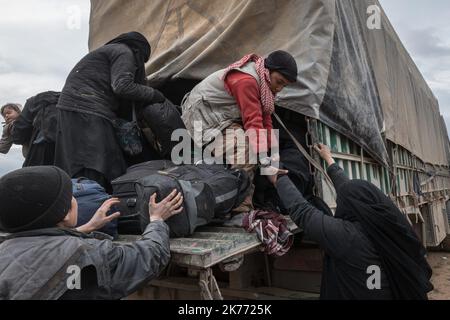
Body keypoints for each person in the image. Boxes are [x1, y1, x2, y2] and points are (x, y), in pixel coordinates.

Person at [267, 144, 433, 300]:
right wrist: (329, 159)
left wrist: (278, 179)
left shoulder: (348, 237)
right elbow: (348, 190)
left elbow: (304, 213)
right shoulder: (390, 228)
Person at [0, 166, 183, 300]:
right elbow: (149, 257)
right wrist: (157, 220)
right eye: (70, 195)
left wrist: (85, 228)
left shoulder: (5, 249)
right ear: (65, 213)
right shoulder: (89, 252)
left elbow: (42, 251)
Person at [181, 51, 298, 212]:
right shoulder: (247, 81)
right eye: (279, 82)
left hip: (223, 116)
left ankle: (247, 200)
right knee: (245, 151)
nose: (279, 88)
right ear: (269, 70)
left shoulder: (265, 84)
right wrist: (265, 161)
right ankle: (241, 208)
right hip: (203, 118)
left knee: (259, 151)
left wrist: (273, 155)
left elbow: (266, 119)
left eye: (284, 86)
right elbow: (253, 122)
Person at [54, 31, 166, 191]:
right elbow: (122, 86)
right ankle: (96, 201)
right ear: (139, 51)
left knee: (88, 161)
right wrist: (155, 95)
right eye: (142, 60)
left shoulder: (110, 51)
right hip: (87, 109)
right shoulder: (124, 52)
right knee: (98, 161)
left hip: (76, 108)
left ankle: (89, 201)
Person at [11, 91, 60, 167]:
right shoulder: (79, 103)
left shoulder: (34, 102)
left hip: (42, 162)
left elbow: (17, 137)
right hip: (77, 166)